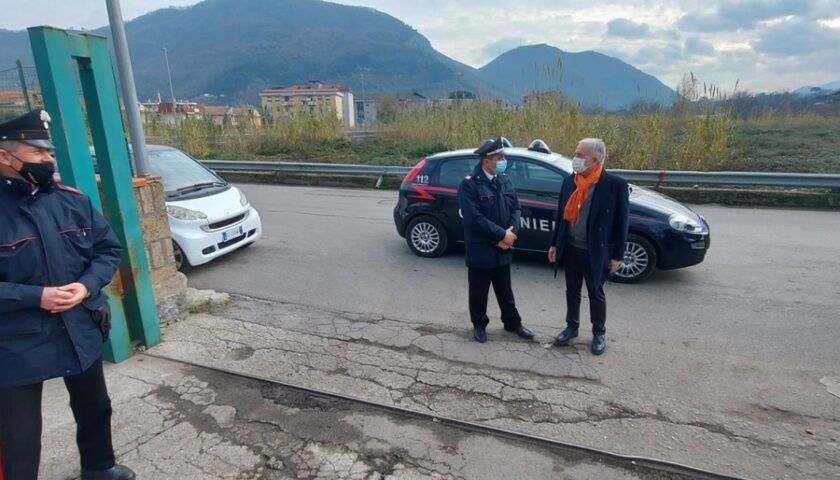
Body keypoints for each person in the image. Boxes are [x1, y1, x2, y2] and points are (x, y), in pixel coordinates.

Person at [0, 110, 135, 480]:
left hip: (78, 324)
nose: (48, 160)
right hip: (16, 340)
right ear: (4, 155)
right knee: (19, 436)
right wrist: (35, 297)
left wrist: (88, 285)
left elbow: (108, 249)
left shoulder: (71, 201)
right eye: (38, 152)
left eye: (50, 152)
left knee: (95, 407)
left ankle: (99, 467)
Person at [548, 138, 629, 355]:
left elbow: (622, 223)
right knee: (572, 290)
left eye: (580, 155)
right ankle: (571, 327)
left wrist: (616, 256)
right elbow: (561, 216)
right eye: (576, 154)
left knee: (596, 292)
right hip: (572, 247)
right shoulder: (570, 182)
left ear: (594, 160)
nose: (575, 159)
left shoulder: (615, 185)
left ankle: (598, 333)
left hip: (596, 251)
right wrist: (555, 244)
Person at [458, 137, 534, 343]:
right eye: (499, 157)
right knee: (479, 292)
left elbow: (516, 208)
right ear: (486, 160)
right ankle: (479, 325)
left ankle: (512, 323)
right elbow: (475, 220)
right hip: (482, 249)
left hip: (503, 248)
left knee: (505, 291)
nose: (503, 160)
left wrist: (510, 234)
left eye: (503, 156)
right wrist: (502, 235)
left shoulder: (504, 179)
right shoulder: (469, 185)